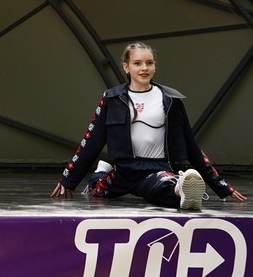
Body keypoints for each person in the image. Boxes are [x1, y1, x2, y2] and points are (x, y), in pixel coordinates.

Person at [50, 42, 246, 211]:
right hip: (123, 171)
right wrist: (68, 180)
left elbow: (191, 145)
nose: (144, 68)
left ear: (154, 66)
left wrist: (221, 186)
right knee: (96, 188)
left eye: (149, 63)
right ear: (126, 67)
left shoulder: (171, 100)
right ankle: (102, 170)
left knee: (167, 188)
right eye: (137, 63)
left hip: (156, 169)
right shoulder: (111, 99)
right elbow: (91, 141)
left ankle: (181, 187)